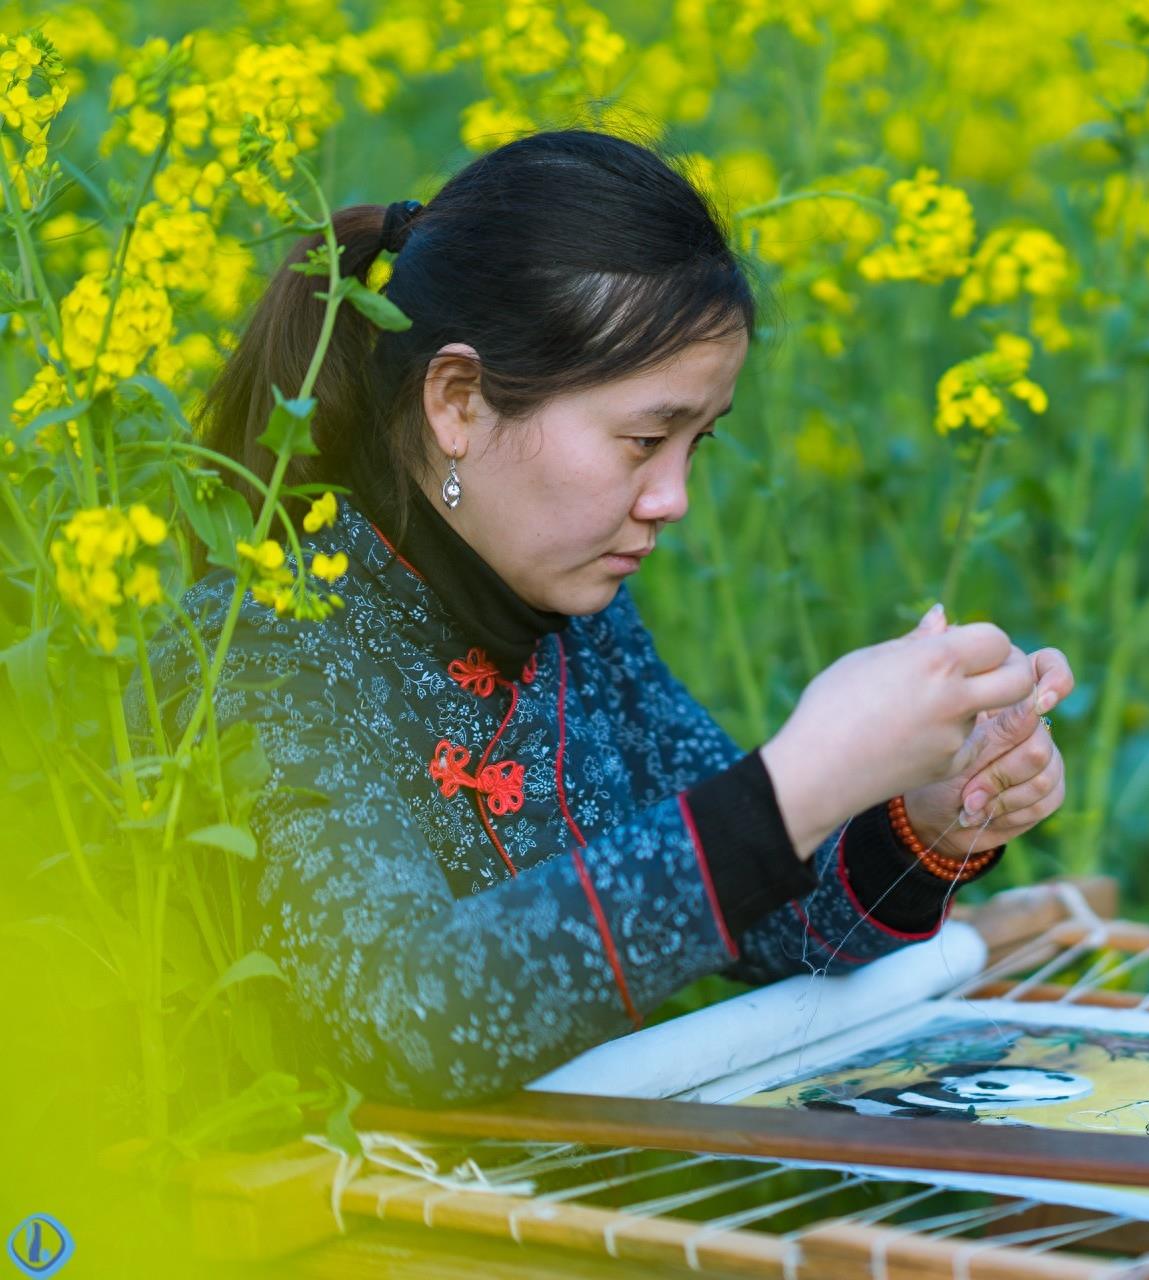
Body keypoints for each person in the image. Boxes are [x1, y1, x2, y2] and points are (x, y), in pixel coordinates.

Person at [125, 129, 1073, 1109]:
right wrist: (799, 779)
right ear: (456, 401)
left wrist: (920, 816)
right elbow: (417, 1018)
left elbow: (773, 926)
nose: (672, 498)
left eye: (695, 445)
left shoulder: (578, 627)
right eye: (643, 439)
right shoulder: (270, 641)